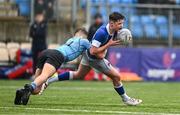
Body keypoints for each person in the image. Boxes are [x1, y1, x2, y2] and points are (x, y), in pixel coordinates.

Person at [41, 12, 142, 106]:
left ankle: (50, 80)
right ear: (112, 24)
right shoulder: (102, 33)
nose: (121, 26)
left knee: (78, 75)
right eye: (119, 24)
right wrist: (108, 45)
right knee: (116, 76)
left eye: (122, 23)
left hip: (89, 55)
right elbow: (93, 51)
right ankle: (126, 99)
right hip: (94, 58)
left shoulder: (114, 31)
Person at [14, 28, 90, 105]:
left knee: (37, 88)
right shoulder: (84, 41)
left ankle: (22, 92)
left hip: (46, 52)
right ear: (84, 35)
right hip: (57, 56)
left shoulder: (71, 39)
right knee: (44, 76)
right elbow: (93, 51)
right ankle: (28, 89)